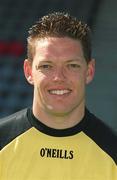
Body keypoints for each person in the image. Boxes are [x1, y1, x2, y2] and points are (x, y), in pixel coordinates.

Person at [0, 12, 117, 179]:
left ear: (89, 71)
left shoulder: (113, 152)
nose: (59, 77)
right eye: (47, 66)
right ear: (28, 71)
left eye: (72, 65)